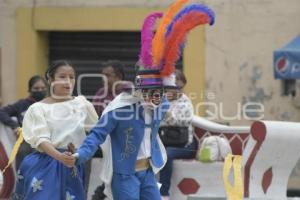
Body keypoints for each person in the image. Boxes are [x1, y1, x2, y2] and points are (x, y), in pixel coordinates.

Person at [13, 60, 98, 200]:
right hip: (45, 164)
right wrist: (60, 156)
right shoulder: (38, 109)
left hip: (73, 165)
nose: (68, 81)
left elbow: (97, 134)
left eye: (72, 77)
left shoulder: (82, 104)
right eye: (62, 77)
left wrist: (80, 152)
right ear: (51, 79)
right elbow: (41, 140)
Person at [159, 70, 198, 200]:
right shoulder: (162, 101)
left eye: (179, 86)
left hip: (185, 145)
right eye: (170, 87)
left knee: (167, 154)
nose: (177, 90)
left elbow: (182, 121)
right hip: (165, 141)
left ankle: (164, 193)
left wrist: (167, 114)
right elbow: (156, 122)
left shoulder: (185, 102)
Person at [0, 75, 47, 169]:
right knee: (23, 152)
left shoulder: (50, 104)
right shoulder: (22, 104)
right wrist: (15, 126)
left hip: (47, 141)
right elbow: (2, 112)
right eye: (36, 88)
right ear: (30, 90)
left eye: (42, 88)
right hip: (26, 142)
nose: (40, 91)